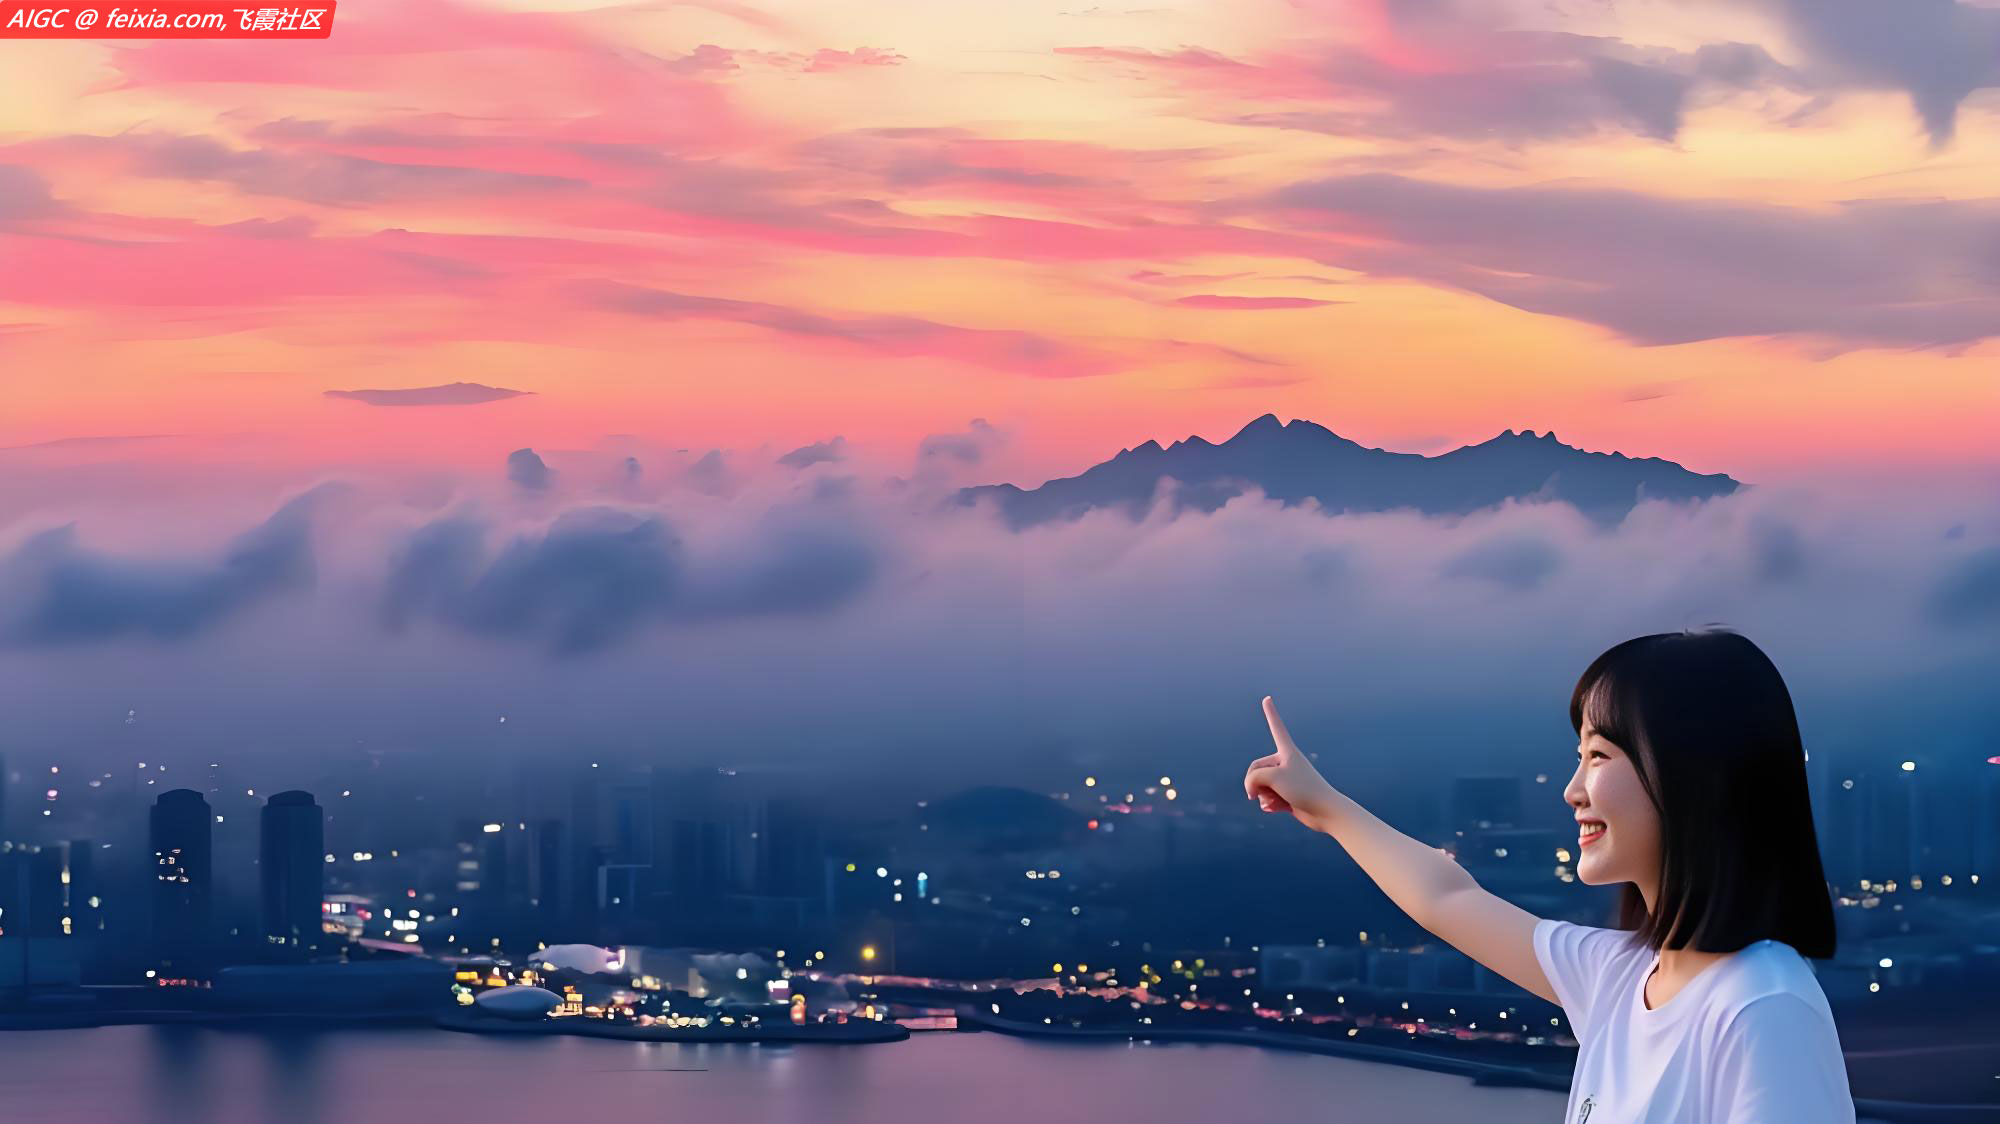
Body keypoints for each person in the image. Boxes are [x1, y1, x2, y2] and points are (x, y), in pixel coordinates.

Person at [1243, 627, 1855, 1122]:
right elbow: (1447, 896)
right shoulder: (1622, 978)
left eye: (1598, 756)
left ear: (1693, 776)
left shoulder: (1762, 1007)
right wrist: (1324, 805)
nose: (1572, 791)